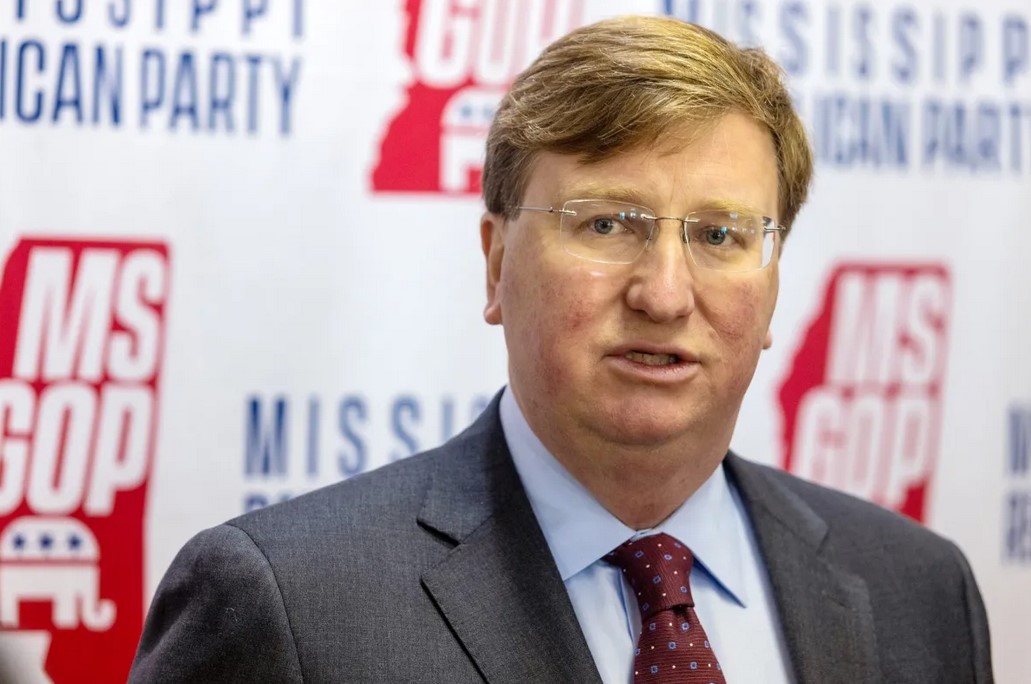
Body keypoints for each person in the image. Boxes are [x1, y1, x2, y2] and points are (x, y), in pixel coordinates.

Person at [129, 15, 993, 683]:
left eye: (718, 235)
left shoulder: (920, 591)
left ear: (771, 285)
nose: (663, 294)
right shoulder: (287, 604)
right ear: (496, 263)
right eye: (606, 224)